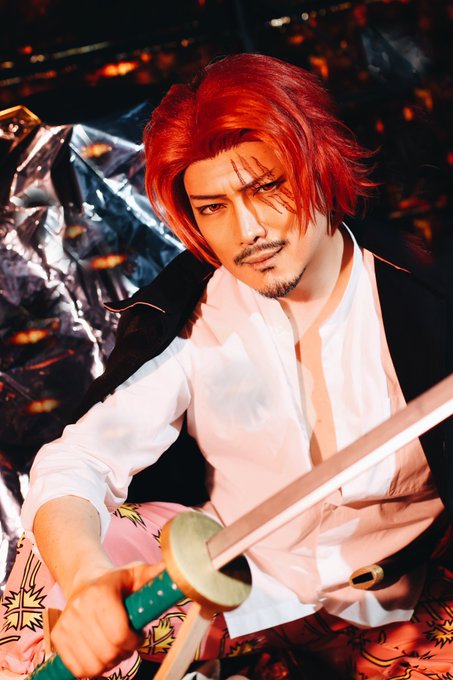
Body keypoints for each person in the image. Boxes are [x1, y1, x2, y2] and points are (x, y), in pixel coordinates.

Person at [0, 53, 452, 680]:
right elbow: (80, 460)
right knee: (47, 598)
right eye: (213, 207)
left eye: (266, 188)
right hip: (229, 590)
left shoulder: (426, 301)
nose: (248, 231)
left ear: (319, 168)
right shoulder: (192, 317)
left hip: (400, 606)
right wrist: (87, 582)